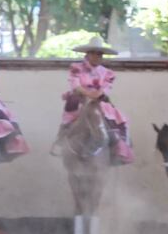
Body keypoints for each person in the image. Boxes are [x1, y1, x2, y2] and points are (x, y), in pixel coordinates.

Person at [54, 35, 133, 165]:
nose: (97, 57)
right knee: (69, 115)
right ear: (88, 54)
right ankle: (61, 139)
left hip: (99, 100)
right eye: (94, 54)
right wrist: (89, 95)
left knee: (119, 120)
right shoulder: (76, 68)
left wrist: (97, 95)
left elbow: (105, 88)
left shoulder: (107, 73)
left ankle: (121, 149)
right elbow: (76, 85)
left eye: (100, 54)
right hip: (79, 98)